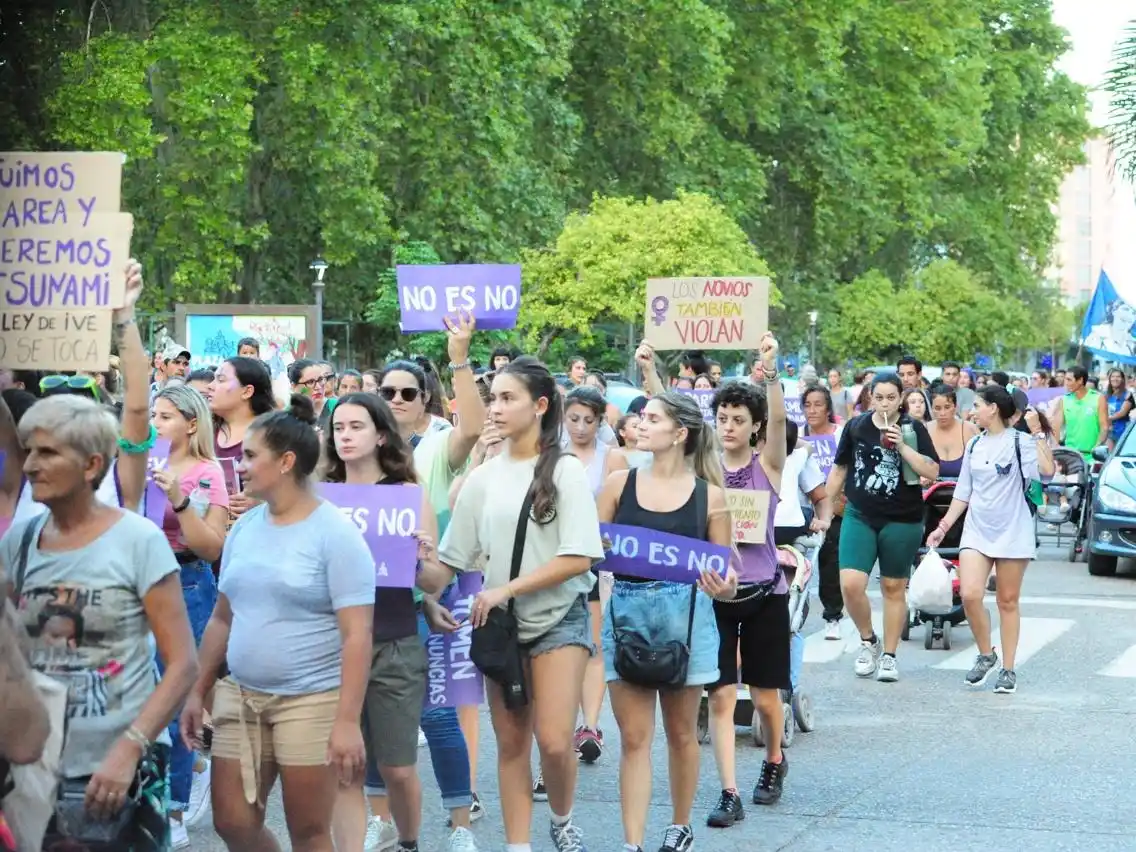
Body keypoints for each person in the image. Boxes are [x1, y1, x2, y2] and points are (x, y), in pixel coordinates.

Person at [4, 395, 200, 848]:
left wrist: (130, 748)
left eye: (47, 452)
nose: (31, 465)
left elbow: (182, 664)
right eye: (28, 450)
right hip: (34, 769)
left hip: (116, 771)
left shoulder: (137, 540)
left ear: (92, 464)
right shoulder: (21, 541)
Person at [180, 396, 374, 851]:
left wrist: (347, 721)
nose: (240, 466)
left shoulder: (336, 534)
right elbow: (222, 619)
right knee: (233, 823)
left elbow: (358, 635)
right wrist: (196, 691)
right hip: (239, 699)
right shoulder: (245, 527)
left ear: (286, 462)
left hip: (311, 702)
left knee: (308, 831)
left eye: (250, 456)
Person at [440, 357, 604, 852]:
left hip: (558, 619)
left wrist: (505, 589)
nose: (496, 407)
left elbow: (578, 558)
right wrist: (419, 569)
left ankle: (561, 817)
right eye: (493, 398)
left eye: (508, 398)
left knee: (554, 741)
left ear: (539, 405)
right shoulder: (483, 478)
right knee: (512, 746)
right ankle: (519, 846)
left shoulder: (565, 470)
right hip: (501, 629)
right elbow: (447, 562)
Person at [323, 393, 475, 852]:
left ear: (381, 435)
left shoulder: (408, 496)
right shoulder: (322, 495)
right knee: (342, 765)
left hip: (394, 642)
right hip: (331, 643)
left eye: (356, 427)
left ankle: (407, 839)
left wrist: (423, 556)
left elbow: (430, 581)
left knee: (398, 766)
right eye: (338, 428)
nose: (345, 436)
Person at [597, 388, 738, 852]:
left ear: (680, 433)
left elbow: (729, 575)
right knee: (634, 738)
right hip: (627, 618)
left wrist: (724, 586)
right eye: (641, 417)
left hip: (689, 619)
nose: (641, 423)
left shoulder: (711, 497)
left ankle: (680, 826)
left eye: (653, 418)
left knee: (681, 733)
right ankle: (631, 843)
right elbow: (591, 550)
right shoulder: (618, 484)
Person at [705, 359, 792, 832]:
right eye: (722, 418)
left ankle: (774, 758)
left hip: (765, 593)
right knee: (719, 697)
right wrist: (650, 370)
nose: (729, 427)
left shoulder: (769, 466)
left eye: (739, 419)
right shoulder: (706, 469)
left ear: (754, 425)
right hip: (717, 594)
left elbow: (779, 421)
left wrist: (773, 378)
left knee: (763, 697)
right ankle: (729, 791)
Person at [926, 386, 1055, 694]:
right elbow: (963, 492)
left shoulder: (1020, 442)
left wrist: (1037, 434)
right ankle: (987, 654)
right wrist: (943, 526)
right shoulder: (974, 445)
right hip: (977, 530)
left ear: (994, 409)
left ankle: (1008, 669)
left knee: (1007, 601)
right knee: (970, 594)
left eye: (978, 405)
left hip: (1013, 530)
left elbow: (1047, 472)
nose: (973, 411)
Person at [151, 383, 230, 845]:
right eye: (153, 415)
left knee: (180, 697)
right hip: (138, 584)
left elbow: (212, 546)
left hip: (188, 582)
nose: (156, 424)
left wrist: (180, 500)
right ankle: (182, 771)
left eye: (165, 416)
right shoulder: (138, 464)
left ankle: (175, 811)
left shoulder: (207, 473)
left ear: (191, 422)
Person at [826, 374, 940, 683]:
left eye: (892, 397)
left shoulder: (912, 428)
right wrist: (823, 509)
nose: (885, 403)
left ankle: (889, 656)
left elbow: (932, 469)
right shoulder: (856, 426)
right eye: (880, 397)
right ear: (870, 398)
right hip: (860, 514)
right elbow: (840, 469)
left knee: (892, 587)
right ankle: (868, 641)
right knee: (850, 583)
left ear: (901, 398)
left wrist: (903, 446)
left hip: (902, 518)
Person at [563, 387, 629, 767]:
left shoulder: (612, 456)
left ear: (601, 422)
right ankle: (563, 724)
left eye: (589, 420)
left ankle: (589, 726)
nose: (581, 427)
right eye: (574, 419)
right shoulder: (551, 453)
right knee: (562, 646)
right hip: (558, 558)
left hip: (598, 560)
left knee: (593, 642)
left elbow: (621, 508)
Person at [1049, 366, 1109, 461]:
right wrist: (1055, 449)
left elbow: (1104, 427)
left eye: (1069, 380)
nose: (1066, 383)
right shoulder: (1064, 400)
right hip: (1070, 456)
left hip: (1092, 457)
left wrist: (1097, 448)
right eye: (1065, 379)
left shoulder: (1098, 398)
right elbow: (1056, 427)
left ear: (1080, 380)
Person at [927, 385, 978, 480]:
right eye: (937, 408)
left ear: (955, 407)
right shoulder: (924, 430)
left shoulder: (970, 429)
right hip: (930, 491)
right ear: (931, 409)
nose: (942, 413)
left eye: (947, 407)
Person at [1104, 368, 1133, 450]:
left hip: (1123, 431)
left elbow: (1122, 412)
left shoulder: (1127, 394)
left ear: (1122, 379)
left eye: (1118, 377)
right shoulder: (1105, 395)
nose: (1115, 379)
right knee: (1108, 455)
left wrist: (1107, 418)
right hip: (1108, 432)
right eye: (1112, 376)